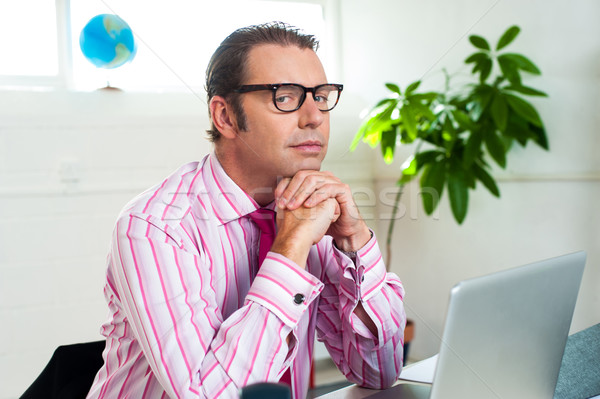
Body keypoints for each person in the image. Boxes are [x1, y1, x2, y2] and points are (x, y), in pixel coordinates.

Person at [87, 22, 406, 399]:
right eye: (285, 97)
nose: (314, 117)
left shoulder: (311, 211)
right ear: (225, 117)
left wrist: (355, 240)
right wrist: (290, 250)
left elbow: (379, 371)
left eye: (321, 96)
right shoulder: (155, 227)